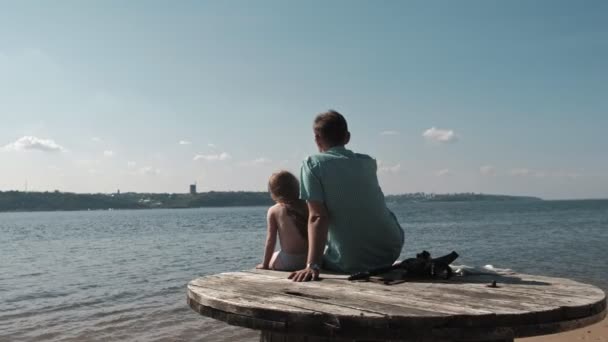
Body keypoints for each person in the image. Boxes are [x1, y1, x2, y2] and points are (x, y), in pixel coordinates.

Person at [289, 110, 404, 282]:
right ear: (347, 137)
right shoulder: (367, 162)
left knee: (289, 256)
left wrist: (312, 265)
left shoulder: (312, 164)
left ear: (317, 138)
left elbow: (318, 217)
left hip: (350, 261)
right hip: (390, 249)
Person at [256, 171, 309, 271]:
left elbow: (270, 240)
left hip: (289, 262)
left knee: (274, 256)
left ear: (273, 192)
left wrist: (265, 264)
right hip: (310, 259)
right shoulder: (307, 206)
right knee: (277, 253)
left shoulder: (274, 210)